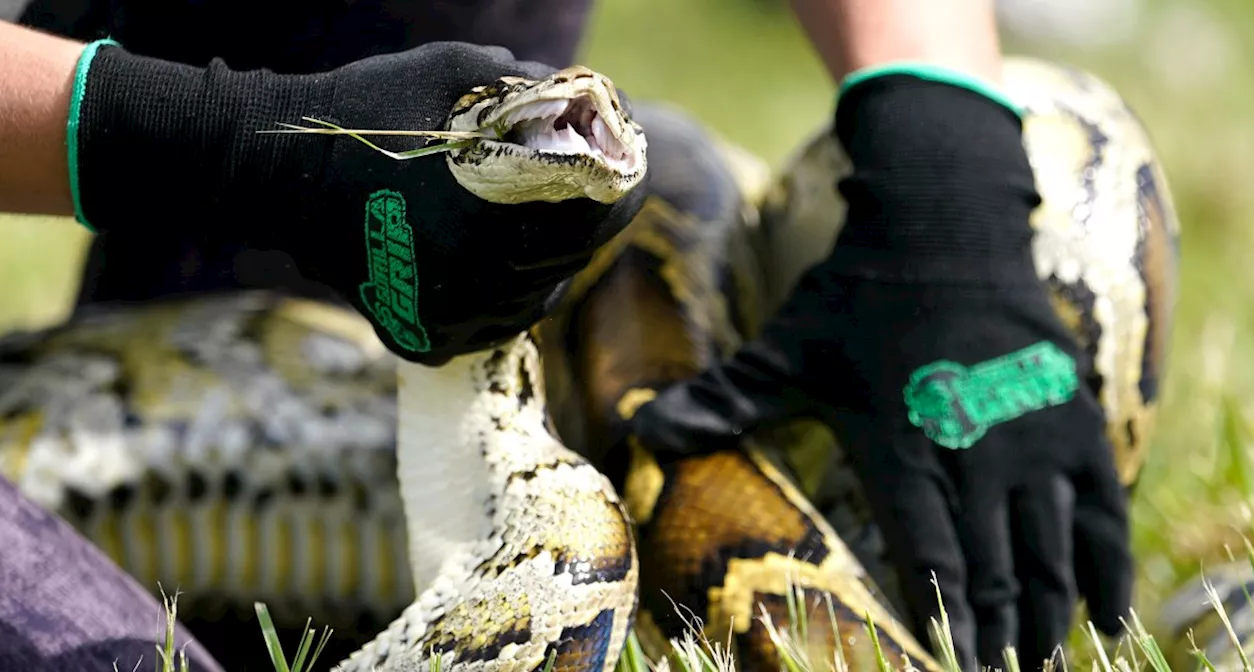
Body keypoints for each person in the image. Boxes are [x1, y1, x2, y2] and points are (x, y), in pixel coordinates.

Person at [0, 0, 1132, 670]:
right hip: (161, 139)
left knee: (1056, 169)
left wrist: (943, 171)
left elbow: (953, 144)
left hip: (345, 240)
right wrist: (224, 146)